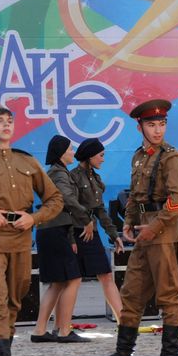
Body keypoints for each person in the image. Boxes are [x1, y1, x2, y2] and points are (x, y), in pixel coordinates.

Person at [0, 102, 63, 356]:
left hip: (21, 239)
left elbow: (55, 199)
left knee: (15, 300)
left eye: (9, 120)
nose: (6, 124)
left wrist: (34, 217)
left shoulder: (27, 162)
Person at [109, 99, 178, 356]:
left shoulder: (171, 157)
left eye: (162, 124)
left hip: (163, 233)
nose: (157, 130)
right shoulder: (139, 156)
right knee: (131, 293)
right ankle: (123, 352)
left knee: (168, 295)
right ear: (139, 127)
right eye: (152, 125)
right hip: (143, 233)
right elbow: (135, 195)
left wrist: (153, 228)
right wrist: (128, 221)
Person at [32, 135, 91, 344]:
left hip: (52, 229)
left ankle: (40, 330)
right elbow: (66, 200)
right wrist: (86, 218)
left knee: (57, 282)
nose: (73, 152)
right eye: (70, 149)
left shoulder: (57, 172)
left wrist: (71, 237)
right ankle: (65, 331)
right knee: (73, 279)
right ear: (61, 153)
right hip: (54, 230)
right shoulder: (58, 174)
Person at [70, 138, 125, 322]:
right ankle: (61, 325)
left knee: (106, 275)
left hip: (90, 234)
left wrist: (114, 235)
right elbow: (70, 207)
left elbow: (100, 210)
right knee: (69, 281)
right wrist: (83, 223)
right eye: (100, 155)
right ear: (90, 156)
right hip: (74, 233)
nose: (103, 159)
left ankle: (123, 321)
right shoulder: (73, 177)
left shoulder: (96, 178)